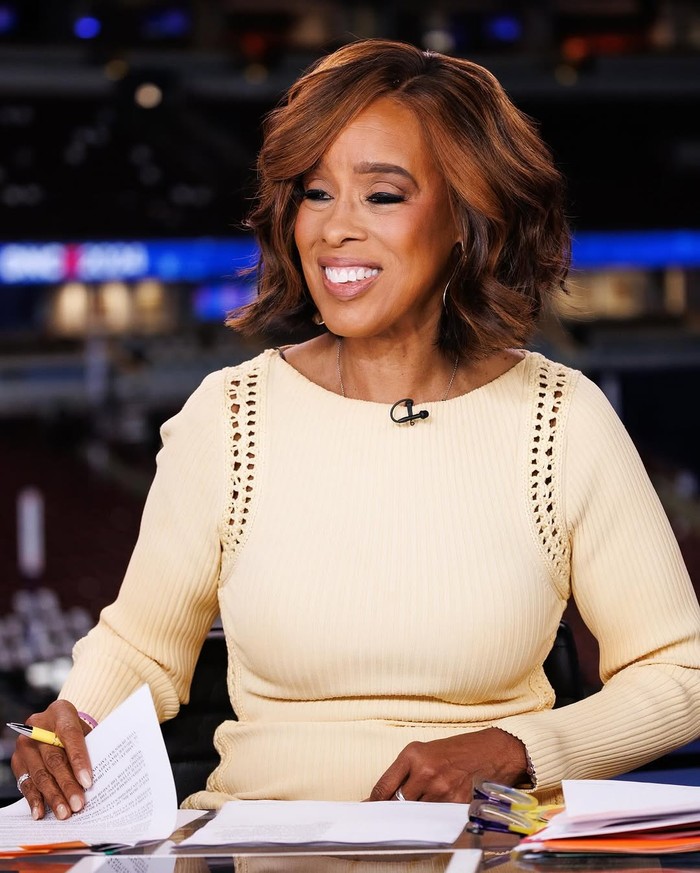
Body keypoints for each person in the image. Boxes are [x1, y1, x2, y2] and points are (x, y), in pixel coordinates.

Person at [12, 39, 700, 822]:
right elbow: (140, 646)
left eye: (381, 195)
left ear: (465, 216)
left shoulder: (562, 419)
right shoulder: (228, 415)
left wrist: (517, 745)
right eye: (315, 193)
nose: (335, 228)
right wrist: (72, 717)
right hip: (252, 841)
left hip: (488, 842)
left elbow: (681, 672)